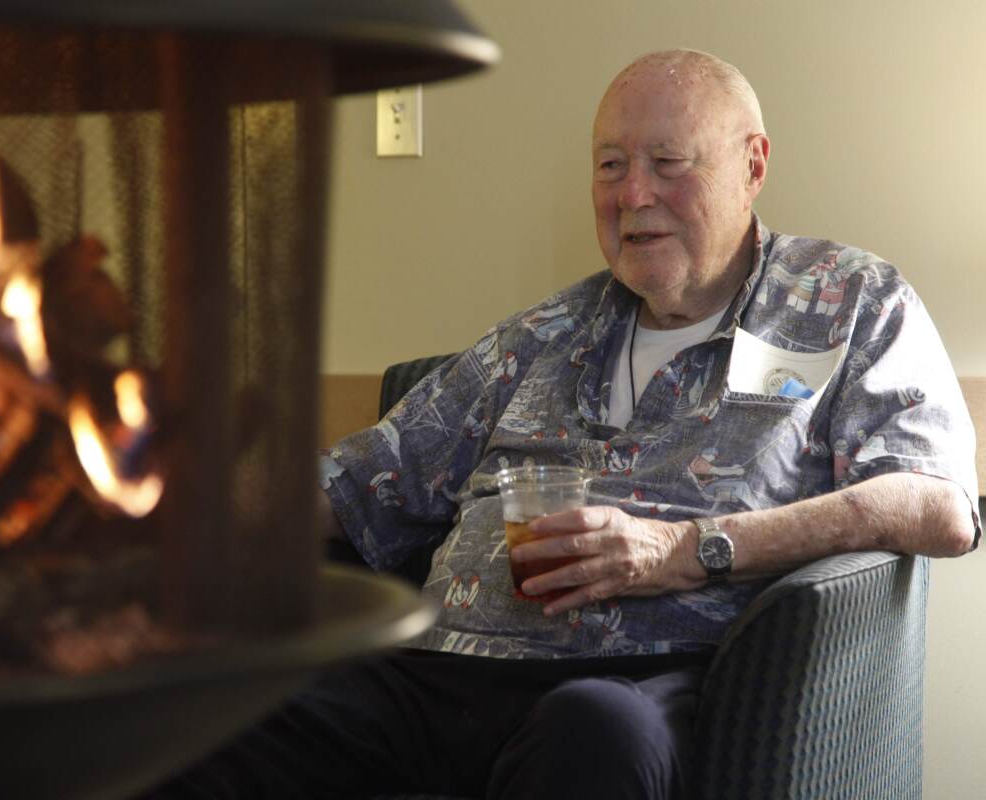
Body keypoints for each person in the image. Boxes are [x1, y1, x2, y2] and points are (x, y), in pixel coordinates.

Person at [162, 49, 979, 799]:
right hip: (439, 673)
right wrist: (157, 517)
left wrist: (685, 551)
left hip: (649, 679)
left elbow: (938, 504)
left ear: (752, 164)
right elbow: (356, 483)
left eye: (668, 163)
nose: (634, 194)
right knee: (204, 712)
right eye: (612, 166)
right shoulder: (541, 335)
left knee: (592, 735)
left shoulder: (847, 301)